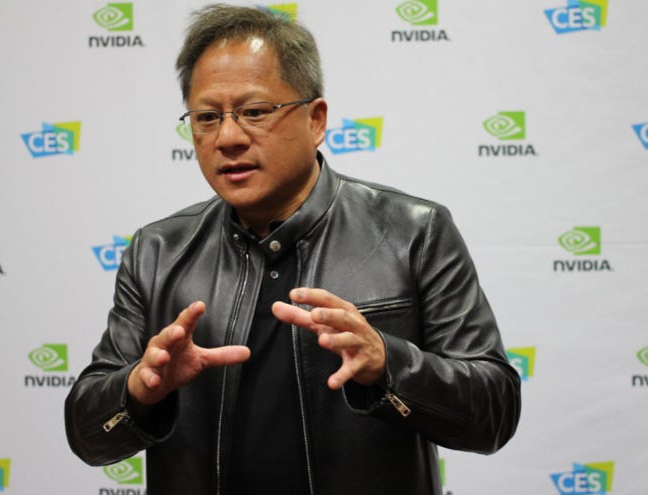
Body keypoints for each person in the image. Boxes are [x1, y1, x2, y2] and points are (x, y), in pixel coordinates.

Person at [65, 4, 521, 494]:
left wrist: (388, 364)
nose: (228, 137)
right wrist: (139, 391)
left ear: (316, 119)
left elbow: (493, 414)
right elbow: (88, 438)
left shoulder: (414, 231)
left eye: (254, 112)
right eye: (207, 117)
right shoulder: (157, 251)